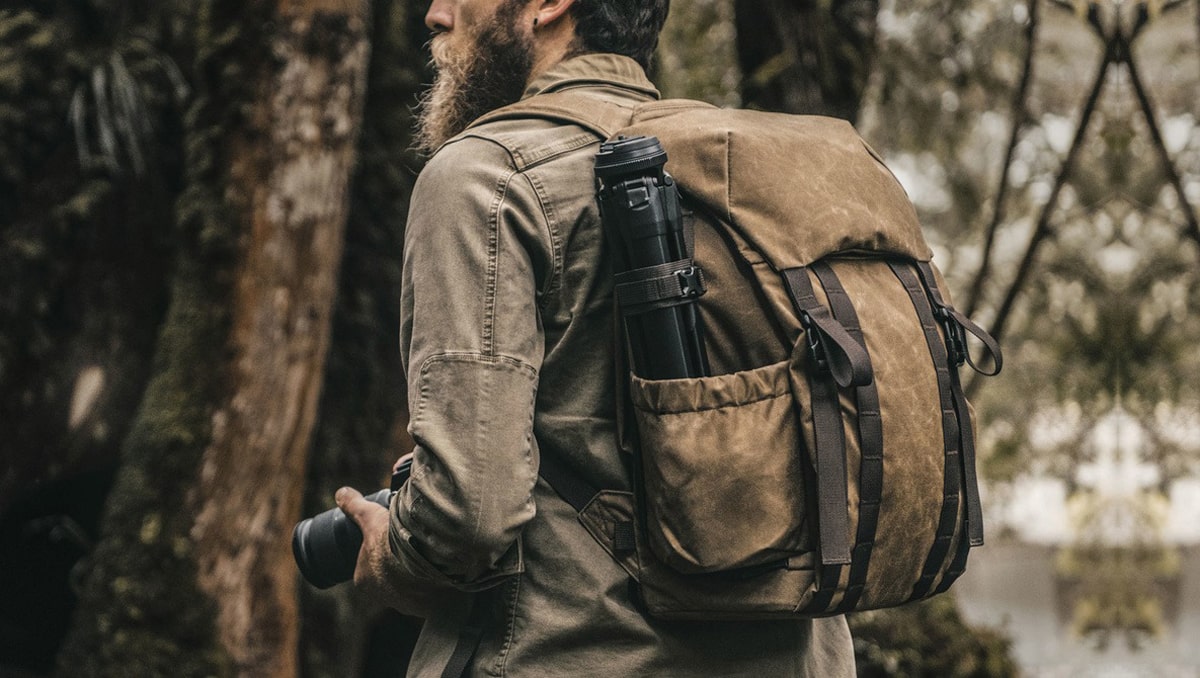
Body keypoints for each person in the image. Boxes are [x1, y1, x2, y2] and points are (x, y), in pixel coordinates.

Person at [335, 0, 856, 675]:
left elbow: (466, 515)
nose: (434, 14)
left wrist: (387, 556)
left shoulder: (487, 175)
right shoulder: (755, 172)